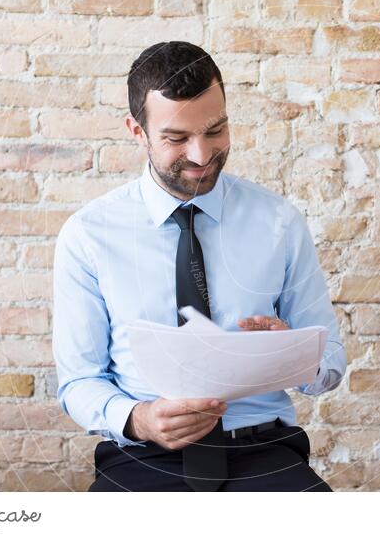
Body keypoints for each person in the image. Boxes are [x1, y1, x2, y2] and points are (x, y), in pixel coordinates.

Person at [52, 41, 346, 492]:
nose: (201, 154)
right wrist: (139, 419)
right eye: (176, 138)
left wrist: (293, 354)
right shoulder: (88, 236)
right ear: (137, 131)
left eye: (215, 130)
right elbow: (79, 381)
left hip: (262, 451)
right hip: (141, 454)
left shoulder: (279, 223)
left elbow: (330, 362)